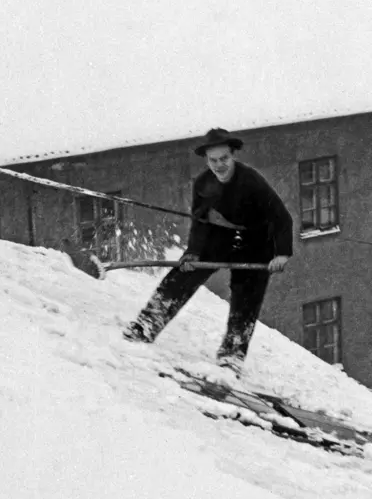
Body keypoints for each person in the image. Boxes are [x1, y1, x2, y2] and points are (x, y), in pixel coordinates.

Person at [122, 128, 294, 369]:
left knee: (247, 297)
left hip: (257, 242)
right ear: (207, 160)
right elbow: (201, 222)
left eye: (224, 158)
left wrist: (282, 253)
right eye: (213, 160)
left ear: (232, 155)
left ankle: (232, 355)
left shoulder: (251, 181)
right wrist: (192, 253)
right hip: (220, 238)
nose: (219, 165)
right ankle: (147, 324)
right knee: (183, 273)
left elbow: (281, 217)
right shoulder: (203, 183)